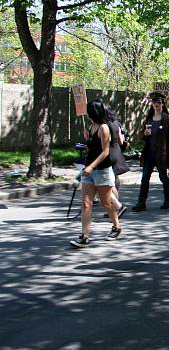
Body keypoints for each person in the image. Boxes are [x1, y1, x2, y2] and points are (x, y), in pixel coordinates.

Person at [72, 99, 122, 247]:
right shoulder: (91, 127)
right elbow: (93, 150)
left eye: (89, 111)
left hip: (102, 171)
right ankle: (84, 236)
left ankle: (116, 226)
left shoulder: (104, 128)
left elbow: (105, 152)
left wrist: (91, 167)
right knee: (86, 204)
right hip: (90, 171)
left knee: (106, 203)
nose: (87, 113)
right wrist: (87, 140)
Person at [133, 93, 169, 211]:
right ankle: (141, 203)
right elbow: (141, 135)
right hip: (149, 153)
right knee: (145, 177)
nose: (156, 105)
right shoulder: (148, 119)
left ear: (163, 104)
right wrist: (144, 135)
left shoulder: (168, 120)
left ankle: (168, 200)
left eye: (158, 103)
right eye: (154, 103)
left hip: (162, 155)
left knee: (164, 177)